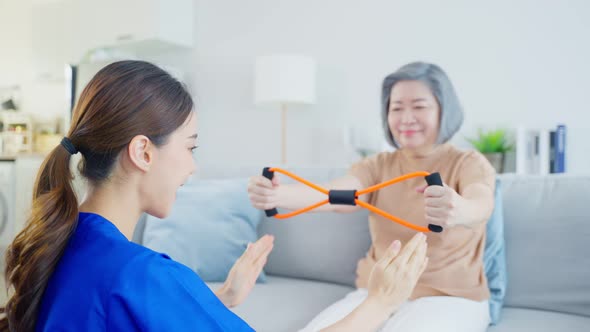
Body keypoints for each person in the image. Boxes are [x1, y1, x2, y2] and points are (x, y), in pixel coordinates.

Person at [0, 60, 427, 332]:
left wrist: (219, 298)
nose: (193, 167)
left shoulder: (65, 244)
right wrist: (381, 302)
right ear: (143, 151)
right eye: (190, 147)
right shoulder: (143, 275)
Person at [248, 61, 496, 332]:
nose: (406, 118)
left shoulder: (468, 162)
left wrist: (458, 209)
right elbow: (333, 196)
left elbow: (481, 204)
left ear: (444, 109)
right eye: (396, 108)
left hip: (449, 298)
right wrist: (277, 195)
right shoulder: (377, 166)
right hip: (376, 292)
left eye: (419, 106)